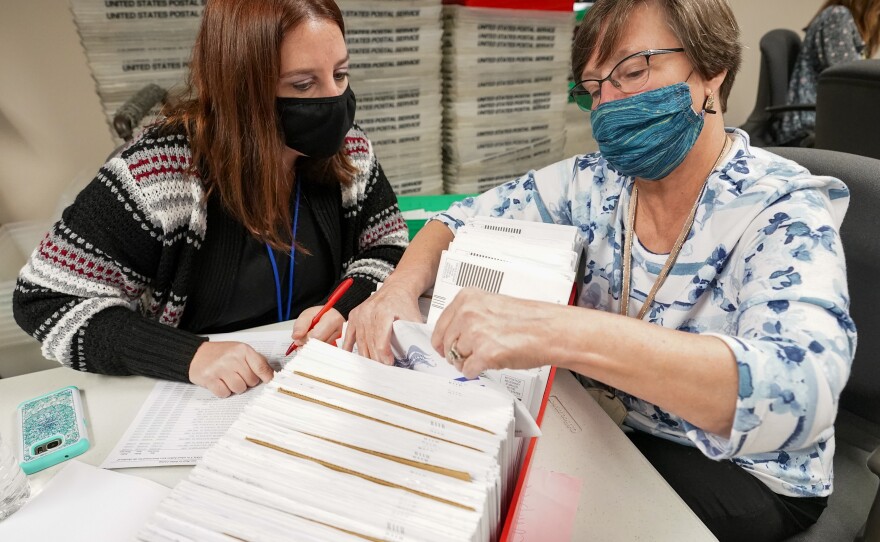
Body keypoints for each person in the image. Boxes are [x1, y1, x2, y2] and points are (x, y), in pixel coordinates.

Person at [344, 0, 856, 540]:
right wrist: (395, 291)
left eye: (632, 72)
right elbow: (454, 223)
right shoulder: (596, 182)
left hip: (742, 467)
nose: (609, 105)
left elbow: (802, 391)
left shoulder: (783, 208)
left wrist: (555, 332)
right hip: (613, 427)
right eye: (594, 89)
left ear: (713, 71)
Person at [12, 0, 408, 399]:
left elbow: (388, 246)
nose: (334, 99)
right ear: (241, 86)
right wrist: (189, 356)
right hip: (202, 395)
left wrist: (346, 302)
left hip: (319, 376)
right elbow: (45, 302)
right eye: (303, 85)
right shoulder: (159, 173)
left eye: (340, 74)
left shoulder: (348, 148)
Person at [771, 0, 880, 145]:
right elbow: (851, 87)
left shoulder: (846, 23)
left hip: (826, 123)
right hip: (810, 128)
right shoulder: (838, 16)